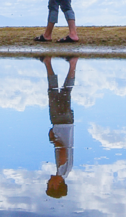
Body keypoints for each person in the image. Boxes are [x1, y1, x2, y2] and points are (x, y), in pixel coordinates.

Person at [40, 55, 77, 198]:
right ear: (56, 185)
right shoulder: (61, 171)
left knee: (66, 92)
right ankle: (48, 63)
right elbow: (62, 151)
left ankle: (72, 65)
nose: (48, 182)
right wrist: (53, 139)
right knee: (53, 92)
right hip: (61, 125)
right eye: (50, 184)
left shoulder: (67, 172)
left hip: (67, 124)